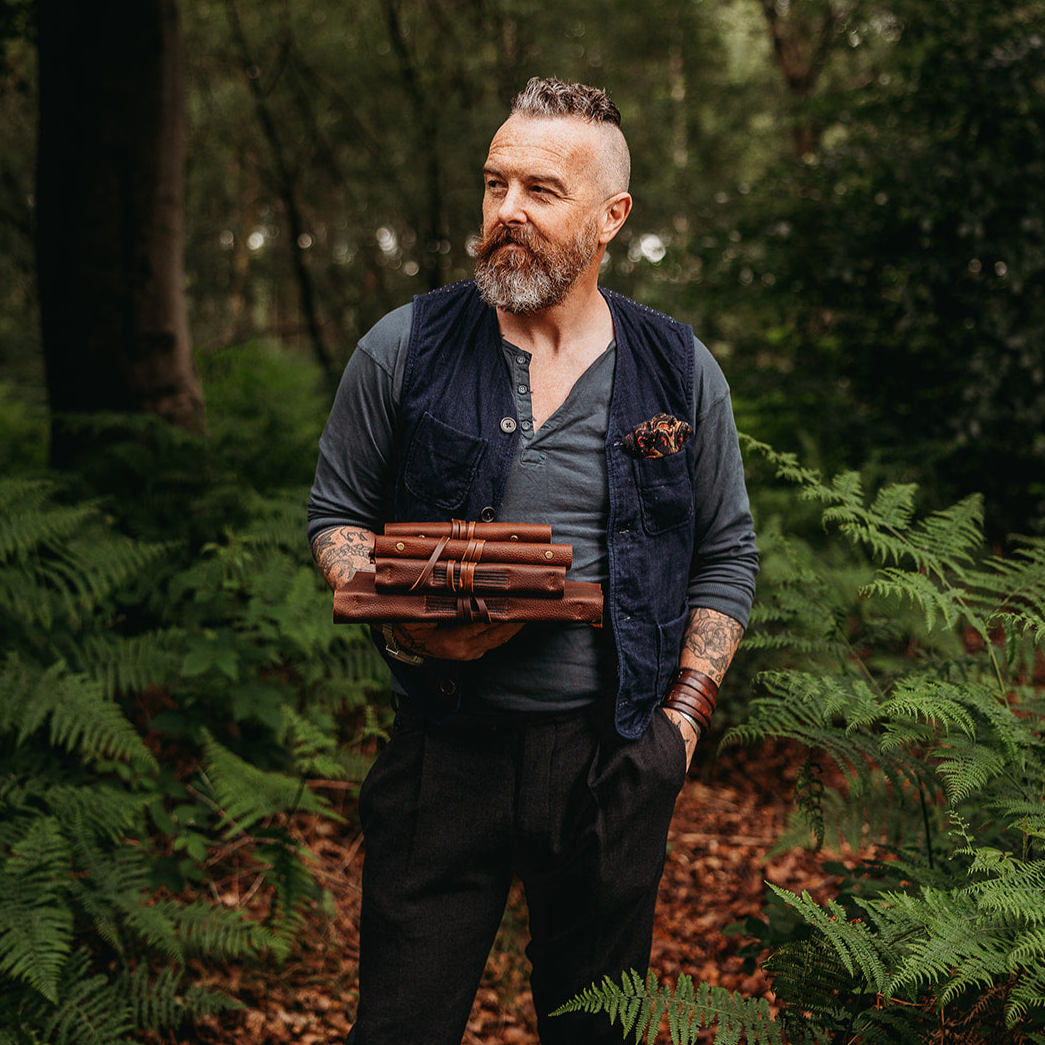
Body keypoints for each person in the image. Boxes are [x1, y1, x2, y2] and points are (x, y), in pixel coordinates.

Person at [307, 77, 758, 1045]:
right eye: (493, 184)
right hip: (443, 750)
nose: (506, 211)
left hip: (610, 755)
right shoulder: (405, 346)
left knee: (595, 1028)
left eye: (540, 190)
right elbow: (338, 512)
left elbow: (726, 550)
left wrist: (679, 724)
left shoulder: (676, 367)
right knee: (399, 1024)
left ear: (611, 217)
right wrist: (392, 603)